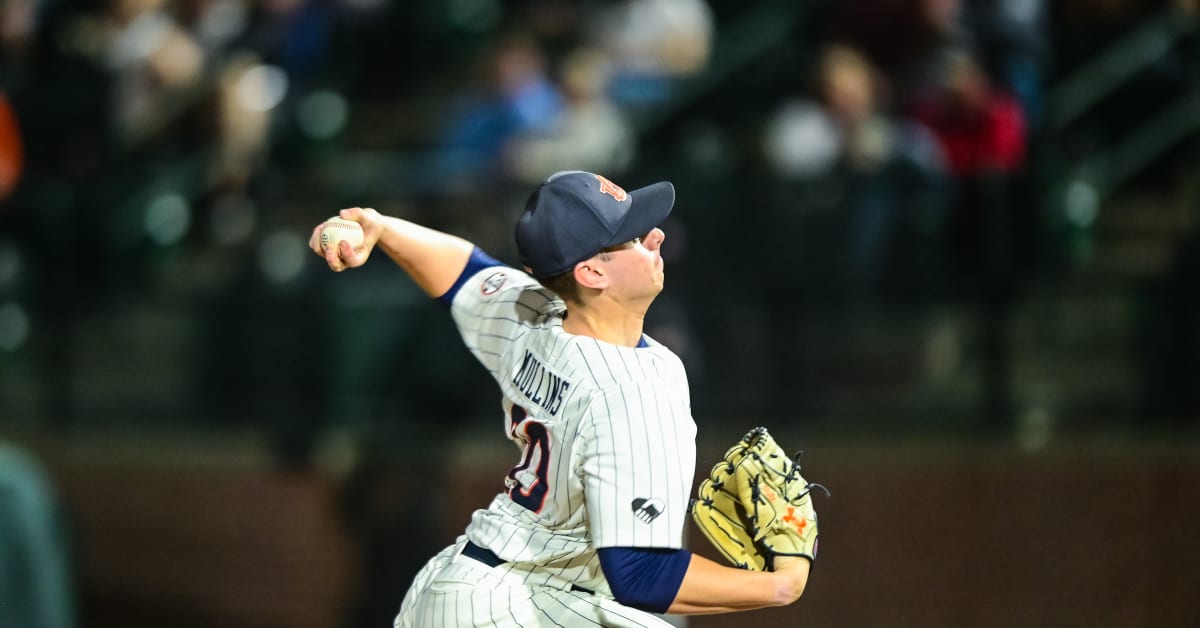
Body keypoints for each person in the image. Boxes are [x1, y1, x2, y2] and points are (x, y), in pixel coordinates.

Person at [309, 170, 813, 626]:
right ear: (591, 273)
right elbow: (639, 575)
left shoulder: (534, 312)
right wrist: (779, 585)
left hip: (480, 590)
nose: (656, 236)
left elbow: (461, 272)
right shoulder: (632, 388)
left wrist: (383, 228)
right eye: (635, 237)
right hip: (512, 609)